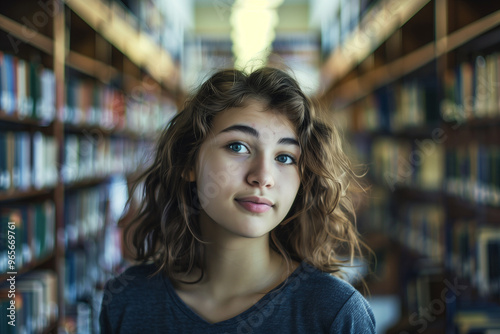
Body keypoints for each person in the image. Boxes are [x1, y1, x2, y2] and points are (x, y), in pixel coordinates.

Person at [99, 67, 376, 333]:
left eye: (284, 157)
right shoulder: (127, 301)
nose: (263, 177)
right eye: (238, 147)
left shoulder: (336, 313)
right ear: (188, 162)